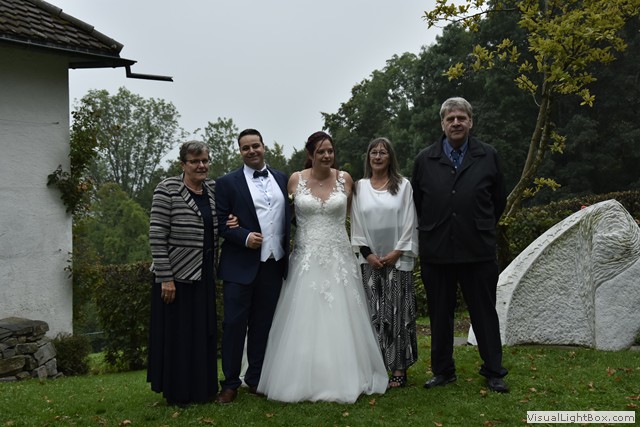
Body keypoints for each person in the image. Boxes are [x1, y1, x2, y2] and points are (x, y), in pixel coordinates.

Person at [257, 131, 387, 403]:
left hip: (339, 257)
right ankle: (301, 376)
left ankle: (346, 374)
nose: (327, 156)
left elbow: (360, 216)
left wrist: (371, 248)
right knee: (304, 317)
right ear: (310, 154)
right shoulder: (295, 180)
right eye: (321, 152)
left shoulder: (345, 179)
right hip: (306, 258)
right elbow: (276, 214)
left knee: (342, 315)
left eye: (330, 151)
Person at [411, 97, 509, 393]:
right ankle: (443, 371)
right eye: (450, 118)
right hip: (437, 250)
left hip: (477, 249)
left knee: (484, 313)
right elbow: (418, 202)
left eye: (461, 118)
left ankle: (494, 370)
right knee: (440, 315)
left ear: (470, 122)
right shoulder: (425, 159)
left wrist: (477, 223)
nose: (456, 123)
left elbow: (498, 201)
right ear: (442, 124)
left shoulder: (488, 155)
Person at [215, 128, 292, 404]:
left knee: (263, 324)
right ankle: (230, 383)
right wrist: (244, 236)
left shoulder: (282, 179)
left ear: (263, 146)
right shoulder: (227, 183)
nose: (251, 151)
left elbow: (291, 216)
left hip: (274, 263)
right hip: (239, 266)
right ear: (240, 151)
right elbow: (220, 223)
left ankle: (256, 378)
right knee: (234, 325)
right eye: (245, 147)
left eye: (255, 145)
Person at [147, 140, 219, 406]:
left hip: (204, 274)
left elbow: (220, 221)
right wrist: (165, 278)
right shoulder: (167, 189)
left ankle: (203, 390)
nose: (201, 166)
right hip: (175, 277)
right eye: (195, 161)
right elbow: (157, 236)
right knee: (179, 337)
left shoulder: (213, 189)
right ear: (183, 164)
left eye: (205, 161)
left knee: (203, 334)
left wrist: (232, 221)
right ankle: (178, 394)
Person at [350, 137, 419, 389]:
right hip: (370, 261)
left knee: (398, 313)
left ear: (391, 158)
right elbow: (356, 223)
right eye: (374, 153)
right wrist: (368, 254)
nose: (378, 157)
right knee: (373, 313)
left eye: (383, 153)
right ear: (368, 157)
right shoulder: (359, 187)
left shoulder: (403, 186)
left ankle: (399, 367)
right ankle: (376, 366)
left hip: (397, 260)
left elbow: (410, 221)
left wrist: (397, 252)